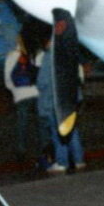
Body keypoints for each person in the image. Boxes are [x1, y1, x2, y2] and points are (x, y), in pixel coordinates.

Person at [35, 40, 85, 174]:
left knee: (58, 132)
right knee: (72, 130)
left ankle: (62, 162)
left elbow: (42, 81)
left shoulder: (49, 56)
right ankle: (79, 160)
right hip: (71, 98)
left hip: (55, 100)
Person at [4, 33, 41, 168]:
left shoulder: (12, 55)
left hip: (20, 95)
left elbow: (7, 78)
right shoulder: (35, 55)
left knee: (22, 125)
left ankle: (21, 151)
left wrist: (14, 91)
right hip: (36, 93)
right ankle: (41, 149)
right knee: (39, 124)